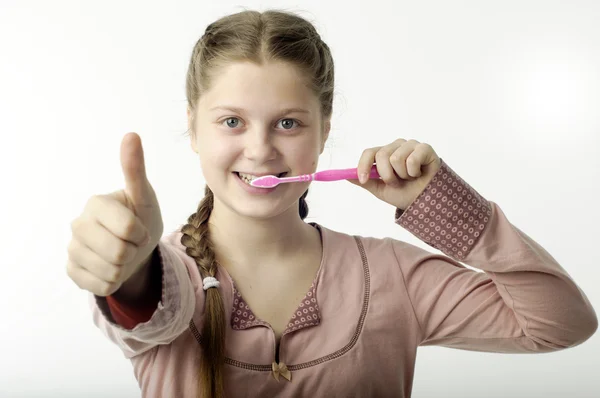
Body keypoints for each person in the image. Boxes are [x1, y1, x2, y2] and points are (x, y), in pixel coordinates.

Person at [66, 9, 597, 398]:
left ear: (324, 133)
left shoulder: (394, 276)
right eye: (232, 121)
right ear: (193, 128)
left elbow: (562, 323)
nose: (260, 149)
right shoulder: (167, 276)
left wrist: (450, 209)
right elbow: (151, 302)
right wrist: (129, 269)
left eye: (289, 123)